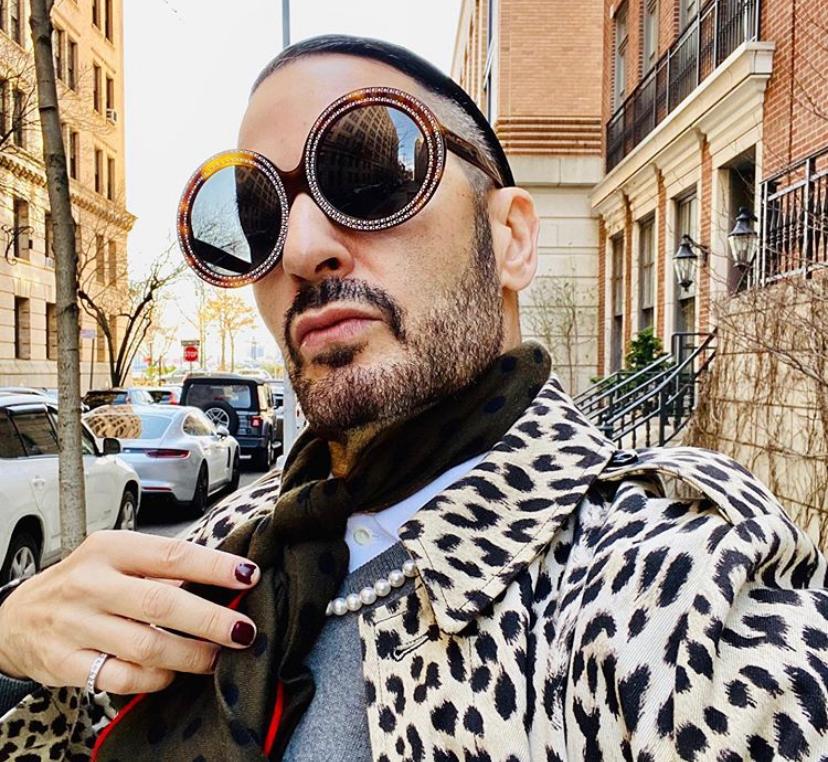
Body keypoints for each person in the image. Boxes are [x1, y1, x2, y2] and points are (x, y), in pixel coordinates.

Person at [0, 34, 826, 762]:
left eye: (369, 176)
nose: (301, 249)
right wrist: (12, 649)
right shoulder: (223, 548)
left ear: (511, 238)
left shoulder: (672, 588)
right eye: (257, 217)